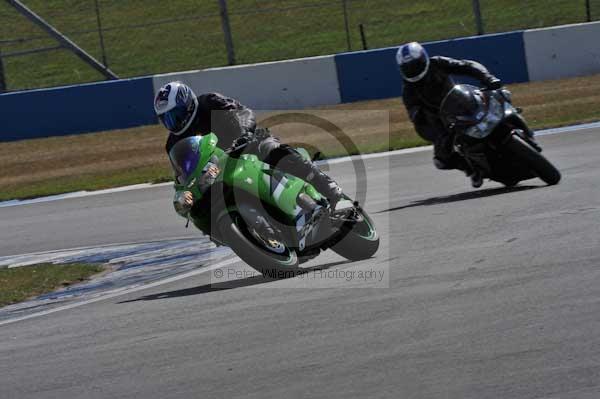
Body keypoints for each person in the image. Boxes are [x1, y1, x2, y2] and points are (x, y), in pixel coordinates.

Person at [153, 81, 342, 214]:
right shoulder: (173, 143)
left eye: (175, 114)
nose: (173, 122)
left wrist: (243, 134)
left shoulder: (209, 102)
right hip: (217, 169)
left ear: (187, 104)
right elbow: (181, 172)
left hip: (246, 144)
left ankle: (328, 187)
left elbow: (242, 112)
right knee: (201, 207)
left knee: (272, 150)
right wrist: (184, 190)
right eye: (166, 119)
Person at [396, 41, 504, 188]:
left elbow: (466, 66)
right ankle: (472, 170)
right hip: (444, 121)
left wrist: (487, 78)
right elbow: (414, 115)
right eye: (408, 68)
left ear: (423, 59)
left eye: (415, 65)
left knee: (498, 99)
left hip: (463, 101)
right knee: (441, 160)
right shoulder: (409, 89)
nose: (413, 70)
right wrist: (420, 117)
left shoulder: (437, 63)